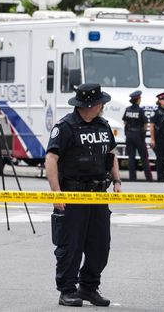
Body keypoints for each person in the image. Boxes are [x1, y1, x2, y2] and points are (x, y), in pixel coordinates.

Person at [45, 83, 122, 307]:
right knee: (70, 246)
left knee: (100, 246)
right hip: (73, 194)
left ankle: (88, 287)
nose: (103, 106)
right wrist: (56, 193)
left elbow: (111, 154)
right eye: (101, 102)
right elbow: (51, 159)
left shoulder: (103, 125)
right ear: (92, 104)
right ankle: (67, 290)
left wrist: (116, 181)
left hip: (98, 195)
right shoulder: (66, 127)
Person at [122, 90, 153, 182]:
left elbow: (125, 122)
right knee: (144, 157)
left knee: (131, 157)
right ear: (138, 99)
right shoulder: (140, 110)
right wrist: (142, 135)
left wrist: (127, 132)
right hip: (138, 135)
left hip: (129, 135)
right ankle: (149, 178)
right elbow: (145, 124)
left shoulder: (128, 109)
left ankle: (132, 178)